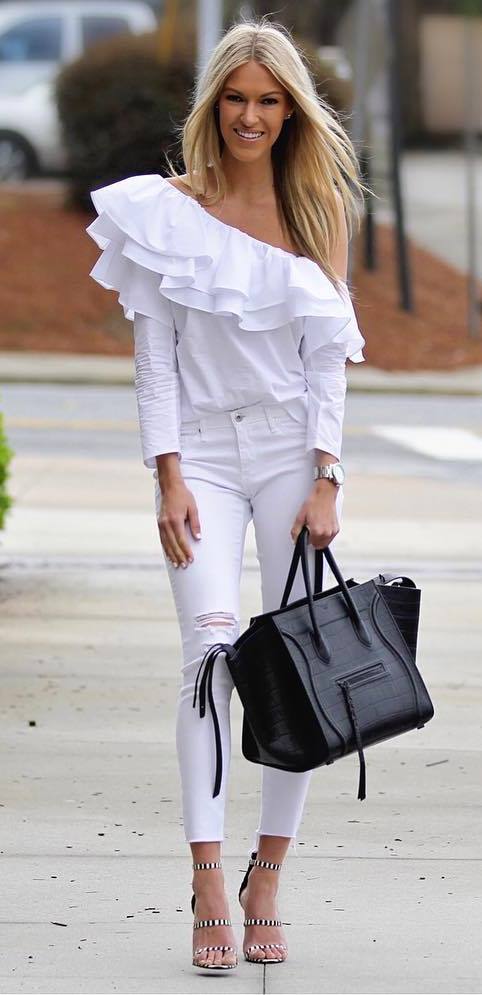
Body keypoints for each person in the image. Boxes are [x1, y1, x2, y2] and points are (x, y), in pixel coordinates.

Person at [86, 16, 366, 974]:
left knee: (293, 668)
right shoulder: (161, 211)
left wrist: (327, 474)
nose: (252, 116)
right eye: (238, 99)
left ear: (291, 111)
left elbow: (328, 361)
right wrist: (164, 472)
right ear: (216, 106)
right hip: (199, 454)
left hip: (293, 457)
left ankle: (269, 879)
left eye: (270, 100)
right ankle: (208, 876)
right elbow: (152, 359)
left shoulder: (319, 213)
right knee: (210, 656)